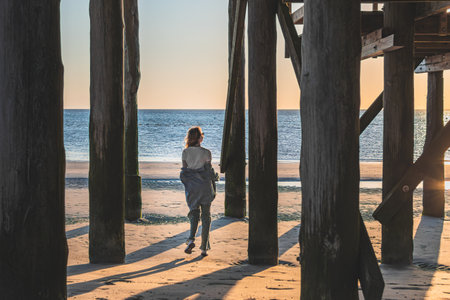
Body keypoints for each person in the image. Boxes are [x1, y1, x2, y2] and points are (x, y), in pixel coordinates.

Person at [180, 126, 218, 257]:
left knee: (194, 213)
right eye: (202, 134)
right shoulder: (206, 152)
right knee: (206, 216)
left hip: (192, 188)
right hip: (205, 187)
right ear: (199, 138)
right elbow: (209, 171)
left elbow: (185, 172)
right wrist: (215, 177)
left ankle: (191, 239)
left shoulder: (185, 153)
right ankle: (204, 248)